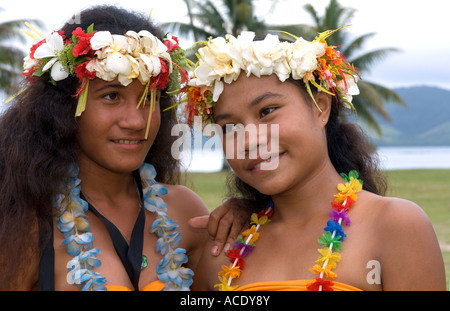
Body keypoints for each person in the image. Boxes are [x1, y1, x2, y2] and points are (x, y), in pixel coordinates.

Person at [0, 5, 247, 291]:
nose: (136, 121)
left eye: (149, 98)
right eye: (112, 95)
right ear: (64, 107)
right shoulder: (26, 225)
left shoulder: (185, 212)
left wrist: (255, 215)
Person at [185, 29, 447, 291]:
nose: (249, 141)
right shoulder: (224, 249)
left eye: (267, 111)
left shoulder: (395, 227)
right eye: (230, 128)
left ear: (320, 106)